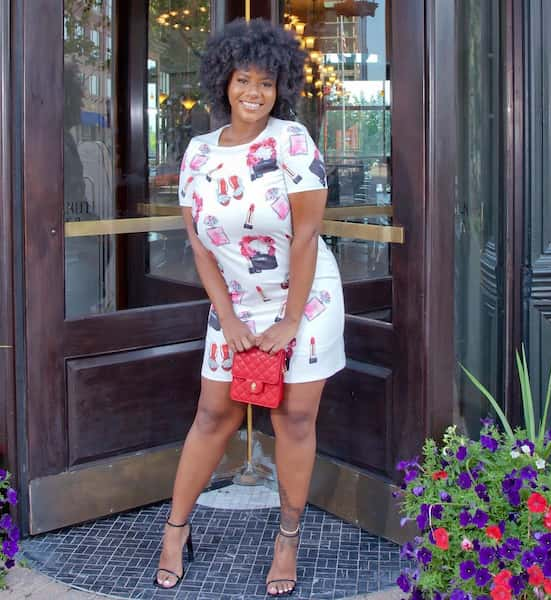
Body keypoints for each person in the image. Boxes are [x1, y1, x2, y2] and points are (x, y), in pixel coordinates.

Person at [154, 18, 346, 596]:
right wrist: (230, 319)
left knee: (293, 419)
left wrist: (289, 320)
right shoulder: (198, 153)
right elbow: (199, 244)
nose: (254, 93)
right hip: (234, 304)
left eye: (265, 82)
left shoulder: (291, 143)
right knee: (214, 414)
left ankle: (287, 538)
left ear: (279, 85)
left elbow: (306, 238)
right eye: (243, 80)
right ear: (225, 82)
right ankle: (174, 531)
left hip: (305, 301)